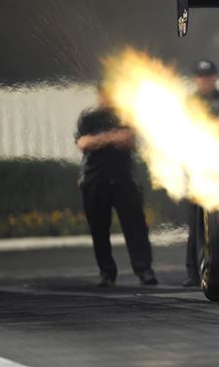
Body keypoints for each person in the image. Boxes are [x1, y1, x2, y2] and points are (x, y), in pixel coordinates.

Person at [75, 85, 157, 287]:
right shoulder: (89, 118)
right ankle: (107, 273)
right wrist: (110, 137)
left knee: (136, 226)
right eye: (104, 93)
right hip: (95, 180)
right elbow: (83, 143)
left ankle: (144, 270)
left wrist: (99, 140)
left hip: (124, 179)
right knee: (99, 229)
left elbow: (127, 140)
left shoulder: (126, 115)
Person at [183, 59, 219, 287]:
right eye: (201, 76)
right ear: (196, 79)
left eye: (208, 76)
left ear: (214, 77)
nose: (204, 80)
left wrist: (202, 127)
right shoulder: (190, 101)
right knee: (195, 221)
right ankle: (193, 272)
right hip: (197, 163)